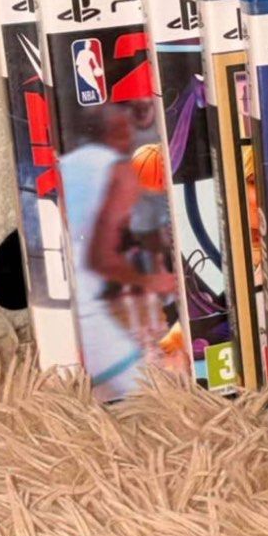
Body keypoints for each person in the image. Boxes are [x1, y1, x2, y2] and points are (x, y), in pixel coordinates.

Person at [59, 105, 177, 400]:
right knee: (151, 396)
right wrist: (151, 281)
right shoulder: (120, 172)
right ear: (116, 134)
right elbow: (100, 259)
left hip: (56, 297)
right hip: (84, 311)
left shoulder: (64, 162)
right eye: (125, 131)